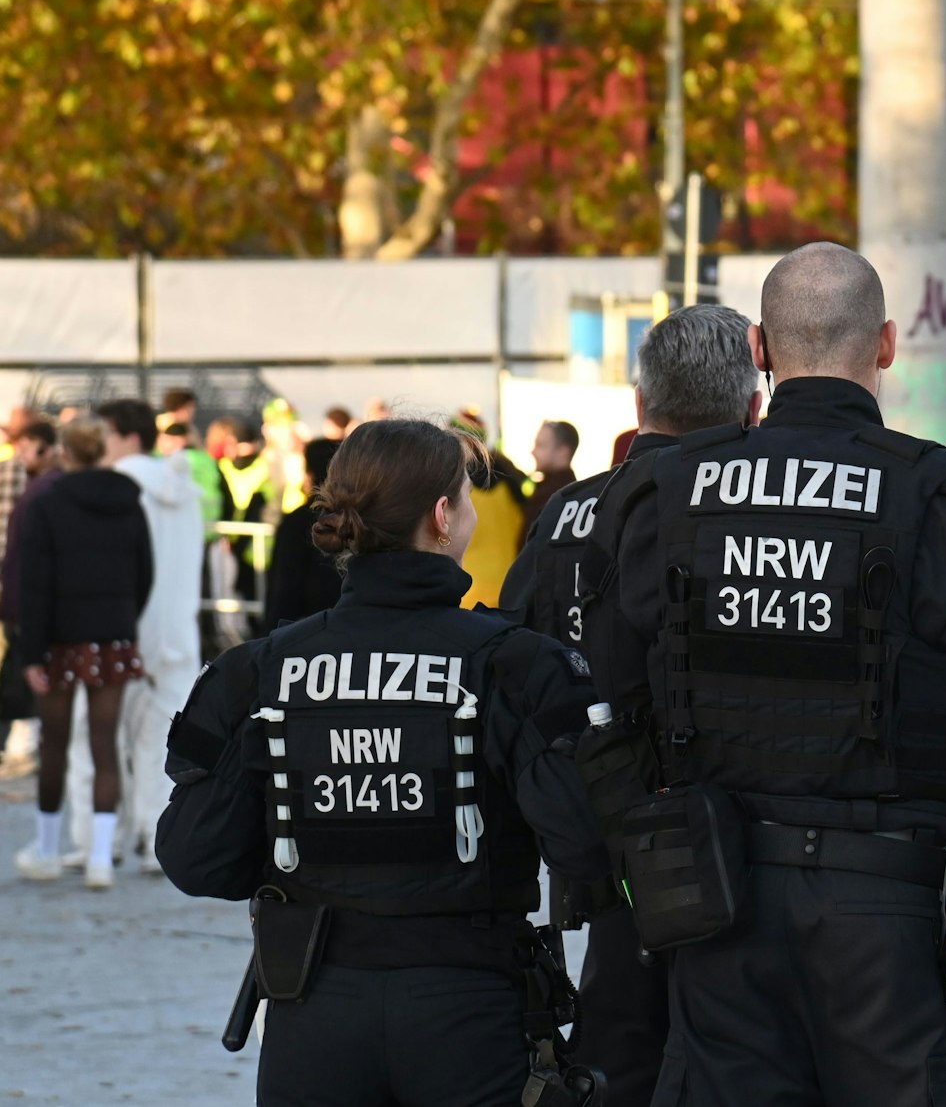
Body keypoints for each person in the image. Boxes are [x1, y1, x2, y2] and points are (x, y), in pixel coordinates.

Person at [582, 242, 946, 1106]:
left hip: (712, 906)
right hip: (887, 922)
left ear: (759, 349)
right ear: (887, 345)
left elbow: (605, 707)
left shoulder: (657, 493)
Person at [155, 418, 612, 1107]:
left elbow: (194, 857)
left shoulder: (259, 670)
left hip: (313, 1012)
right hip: (467, 1012)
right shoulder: (517, 665)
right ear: (441, 516)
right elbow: (585, 843)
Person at [500, 302, 761, 1107]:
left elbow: (513, 659)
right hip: (744, 845)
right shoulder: (749, 507)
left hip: (604, 845)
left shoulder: (563, 516)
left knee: (617, 1054)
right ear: (754, 407)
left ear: (639, 402)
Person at [56, 400, 205, 874]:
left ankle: (97, 839)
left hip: (118, 630)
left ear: (124, 436)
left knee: (93, 736)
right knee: (162, 741)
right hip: (177, 632)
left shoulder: (112, 492)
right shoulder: (186, 489)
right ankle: (154, 838)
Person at [11, 419, 153, 889]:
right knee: (105, 744)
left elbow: (33, 584)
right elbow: (143, 572)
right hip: (112, 635)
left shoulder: (46, 504)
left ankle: (49, 849)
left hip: (57, 638)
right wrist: (123, 618)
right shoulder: (129, 502)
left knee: (54, 744)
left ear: (65, 454)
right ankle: (98, 858)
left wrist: (29, 652)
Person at [0, 419, 57, 775]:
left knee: (17, 658)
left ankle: (21, 739)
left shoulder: (32, 480)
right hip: (18, 579)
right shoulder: (30, 479)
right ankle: (22, 740)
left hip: (15, 579)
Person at [451, 409, 526, 609]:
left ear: (463, 440)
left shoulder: (457, 488)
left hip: (469, 592)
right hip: (511, 587)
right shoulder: (512, 480)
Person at [266, 438, 345, 625]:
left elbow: (284, 585)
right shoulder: (358, 519)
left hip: (304, 626)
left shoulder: (297, 520)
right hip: (343, 624)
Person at [520, 420, 580, 549]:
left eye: (540, 445)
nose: (533, 451)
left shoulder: (553, 497)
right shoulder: (577, 493)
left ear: (563, 452)